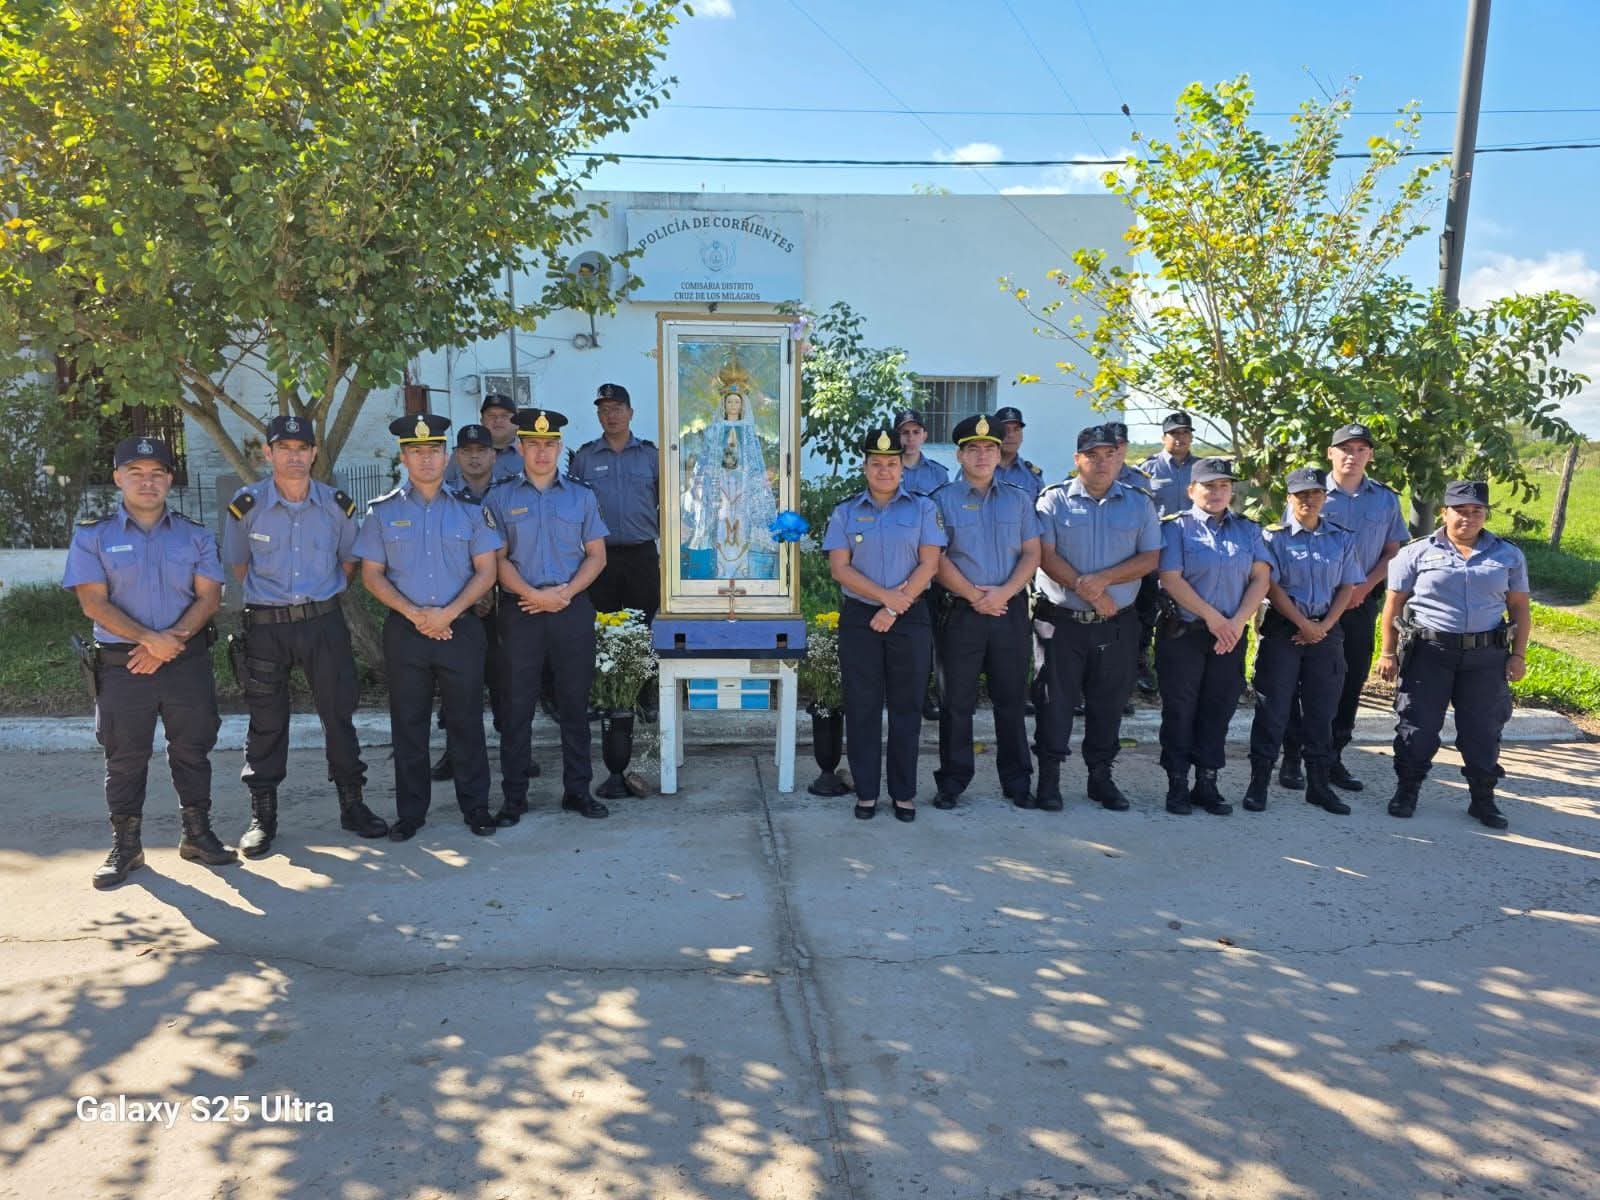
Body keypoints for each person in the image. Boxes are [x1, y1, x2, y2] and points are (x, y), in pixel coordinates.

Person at [63, 436, 236, 888]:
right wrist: (148, 640)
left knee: (193, 749)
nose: (147, 481)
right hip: (124, 666)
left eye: (157, 473)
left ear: (169, 480)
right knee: (124, 755)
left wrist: (169, 642)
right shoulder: (92, 535)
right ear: (118, 478)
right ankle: (127, 846)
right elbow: (93, 603)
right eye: (136, 473)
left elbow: (209, 596)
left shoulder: (194, 534)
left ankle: (197, 835)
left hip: (185, 660)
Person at [222, 414, 387, 855]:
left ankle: (353, 805)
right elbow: (239, 567)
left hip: (322, 623)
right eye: (284, 449)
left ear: (314, 453)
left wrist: (314, 598)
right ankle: (263, 817)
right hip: (266, 627)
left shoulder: (336, 505)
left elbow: (348, 563)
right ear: (268, 453)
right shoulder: (246, 505)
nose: (294, 457)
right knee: (267, 722)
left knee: (339, 715)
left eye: (302, 449)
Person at [355, 415, 504, 840]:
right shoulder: (382, 512)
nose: (426, 459)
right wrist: (417, 615)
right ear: (404, 457)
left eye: (433, 451)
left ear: (446, 456)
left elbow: (486, 572)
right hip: (406, 631)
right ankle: (411, 814)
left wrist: (448, 613)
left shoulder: (471, 510)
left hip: (460, 628)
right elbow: (372, 575)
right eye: (417, 452)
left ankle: (476, 808)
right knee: (409, 724)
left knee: (467, 723)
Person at [1377, 481, 1530, 829]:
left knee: (1482, 731)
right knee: (1418, 727)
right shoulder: (1415, 553)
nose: (1468, 517)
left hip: (1486, 657)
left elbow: (1520, 608)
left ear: (1485, 514)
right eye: (1460, 510)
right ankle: (1407, 790)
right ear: (1445, 512)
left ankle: (1482, 799)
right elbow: (1393, 604)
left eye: (1476, 511)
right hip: (1429, 653)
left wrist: (1517, 655)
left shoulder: (1507, 555)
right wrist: (1387, 652)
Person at [484, 408, 611, 822]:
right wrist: (532, 596)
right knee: (516, 707)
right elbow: (495, 560)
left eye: (550, 444)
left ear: (560, 448)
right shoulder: (500, 497)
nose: (542, 452)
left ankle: (578, 791)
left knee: (575, 706)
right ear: (520, 447)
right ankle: (514, 798)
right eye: (534, 444)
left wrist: (565, 594)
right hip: (521, 612)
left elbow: (597, 556)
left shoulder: (581, 495)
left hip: (571, 609)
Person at [1031, 425, 1162, 812]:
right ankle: (1049, 781)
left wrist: (1103, 582)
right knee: (1054, 703)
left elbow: (1150, 558)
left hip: (1116, 621)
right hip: (1061, 622)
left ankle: (1100, 779)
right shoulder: (1053, 501)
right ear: (1078, 460)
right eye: (1092, 455)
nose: (1102, 462)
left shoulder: (1139, 504)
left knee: (1109, 703)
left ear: (1120, 456)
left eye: (1110, 454)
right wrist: (1086, 588)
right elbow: (1044, 553)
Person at [822, 427, 946, 822]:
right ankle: (867, 792)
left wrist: (895, 605)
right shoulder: (845, 511)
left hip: (910, 616)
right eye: (876, 463)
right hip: (860, 618)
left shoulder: (923, 508)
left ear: (901, 468)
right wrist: (884, 598)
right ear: (865, 467)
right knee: (862, 706)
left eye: (891, 463)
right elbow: (839, 568)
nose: (884, 470)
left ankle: (904, 793)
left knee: (907, 707)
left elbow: (931, 563)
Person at [1279, 422, 1408, 793]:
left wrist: (1363, 587)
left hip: (1358, 604)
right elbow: (1289, 545)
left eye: (1361, 450)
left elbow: (1392, 552)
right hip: (1307, 605)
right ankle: (1291, 757)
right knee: (1295, 682)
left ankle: (1332, 756)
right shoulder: (1310, 493)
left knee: (1347, 681)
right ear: (1330, 453)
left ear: (1369, 455)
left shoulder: (1384, 499)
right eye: (1345, 449)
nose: (1353, 456)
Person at [929, 414, 1041, 809]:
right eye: (973, 449)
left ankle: (1017, 781)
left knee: (1011, 701)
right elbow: (935, 558)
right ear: (959, 455)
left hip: (1008, 612)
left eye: (989, 448)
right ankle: (953, 780)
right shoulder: (941, 500)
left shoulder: (1019, 498)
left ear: (999, 452)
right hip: (961, 612)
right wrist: (975, 597)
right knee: (956, 702)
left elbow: (1032, 553)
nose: (982, 455)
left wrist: (1004, 594)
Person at [1155, 457, 1273, 815]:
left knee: (1218, 709)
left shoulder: (1248, 531)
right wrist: (1214, 619)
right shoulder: (1176, 529)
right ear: (1192, 490)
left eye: (1224, 486)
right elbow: (1171, 578)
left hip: (1230, 637)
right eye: (1209, 485)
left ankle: (1207, 782)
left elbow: (1260, 578)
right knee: (1180, 709)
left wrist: (1236, 622)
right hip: (1185, 634)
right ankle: (1177, 782)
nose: (1217, 492)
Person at [1244, 467, 1364, 814]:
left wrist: (1324, 625)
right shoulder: (1273, 538)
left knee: (1321, 711)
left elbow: (1347, 586)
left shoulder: (1341, 538)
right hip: (1284, 630)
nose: (1309, 500)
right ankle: (1259, 783)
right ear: (1289, 498)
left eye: (1315, 493)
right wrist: (1302, 623)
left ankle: (1319, 785)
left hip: (1325, 632)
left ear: (1324, 497)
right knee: (1273, 709)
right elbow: (1271, 586)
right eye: (1301, 494)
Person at [430, 423, 515, 782]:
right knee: (455, 683)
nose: (475, 457)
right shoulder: (442, 496)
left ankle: (515, 752)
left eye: (481, 451)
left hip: (504, 602)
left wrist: (491, 592)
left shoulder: (511, 494)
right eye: (467, 451)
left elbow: (515, 549)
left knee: (509, 679)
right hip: (460, 604)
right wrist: (473, 596)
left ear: (494, 455)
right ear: (456, 457)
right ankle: (455, 752)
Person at [569, 382, 661, 619]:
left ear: (631, 412)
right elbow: (572, 508)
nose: (611, 416)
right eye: (604, 410)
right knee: (601, 624)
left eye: (617, 408)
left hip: (642, 555)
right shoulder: (584, 458)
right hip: (599, 557)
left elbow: (667, 503)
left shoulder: (651, 456)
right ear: (598, 416)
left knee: (644, 625)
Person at [684, 384, 779, 580]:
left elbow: (752, 459)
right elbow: (709, 457)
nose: (733, 405)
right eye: (730, 402)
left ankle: (741, 573)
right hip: (722, 486)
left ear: (742, 406)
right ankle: (721, 574)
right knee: (721, 524)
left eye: (737, 402)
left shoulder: (747, 429)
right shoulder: (717, 428)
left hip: (741, 487)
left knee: (741, 524)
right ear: (724, 405)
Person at [1134, 412, 1197, 695]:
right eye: (1175, 433)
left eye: (1185, 433)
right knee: (1146, 612)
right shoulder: (1148, 470)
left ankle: (1174, 670)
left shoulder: (1202, 469)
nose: (1181, 438)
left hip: (1193, 553)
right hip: (1155, 553)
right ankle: (1140, 666)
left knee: (1183, 613)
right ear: (1164, 438)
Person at [444, 392, 523, 488]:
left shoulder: (527, 453)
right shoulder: (460, 453)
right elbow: (446, 489)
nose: (498, 420)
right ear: (482, 421)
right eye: (491, 416)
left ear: (516, 423)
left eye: (504, 416)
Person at [991, 405, 1044, 501]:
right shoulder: (979, 469)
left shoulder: (1032, 475)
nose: (1011, 435)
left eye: (1016, 429)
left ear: (1022, 436)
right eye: (1005, 430)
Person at [894, 407, 950, 496]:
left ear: (924, 436)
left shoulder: (938, 473)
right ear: (895, 436)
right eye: (905, 432)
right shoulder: (886, 471)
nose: (910, 438)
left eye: (916, 432)